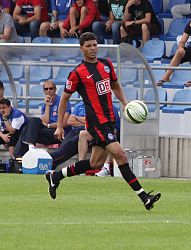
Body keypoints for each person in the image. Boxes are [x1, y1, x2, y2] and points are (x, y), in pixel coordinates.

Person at [45, 32, 161, 210]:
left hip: (109, 120)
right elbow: (64, 100)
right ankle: (144, 197)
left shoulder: (106, 65)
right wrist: (60, 125)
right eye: (89, 46)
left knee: (95, 164)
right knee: (121, 155)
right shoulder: (77, 73)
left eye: (95, 45)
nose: (93, 48)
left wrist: (124, 102)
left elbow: (114, 85)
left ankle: (56, 176)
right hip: (96, 122)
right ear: (82, 48)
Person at [14, 80, 71, 158]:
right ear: (43, 91)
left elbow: (63, 123)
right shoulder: (45, 104)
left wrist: (48, 125)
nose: (48, 91)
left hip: (59, 134)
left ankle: (20, 154)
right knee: (30, 124)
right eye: (46, 89)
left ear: (55, 89)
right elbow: (45, 120)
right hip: (47, 132)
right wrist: (47, 106)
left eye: (51, 88)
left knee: (28, 128)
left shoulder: (63, 102)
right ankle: (25, 151)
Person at [50, 101, 86, 170]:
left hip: (86, 132)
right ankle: (52, 164)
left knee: (69, 145)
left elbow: (91, 122)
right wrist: (83, 120)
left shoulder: (94, 106)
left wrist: (77, 118)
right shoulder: (79, 105)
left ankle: (47, 160)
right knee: (63, 146)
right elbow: (69, 121)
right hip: (74, 130)